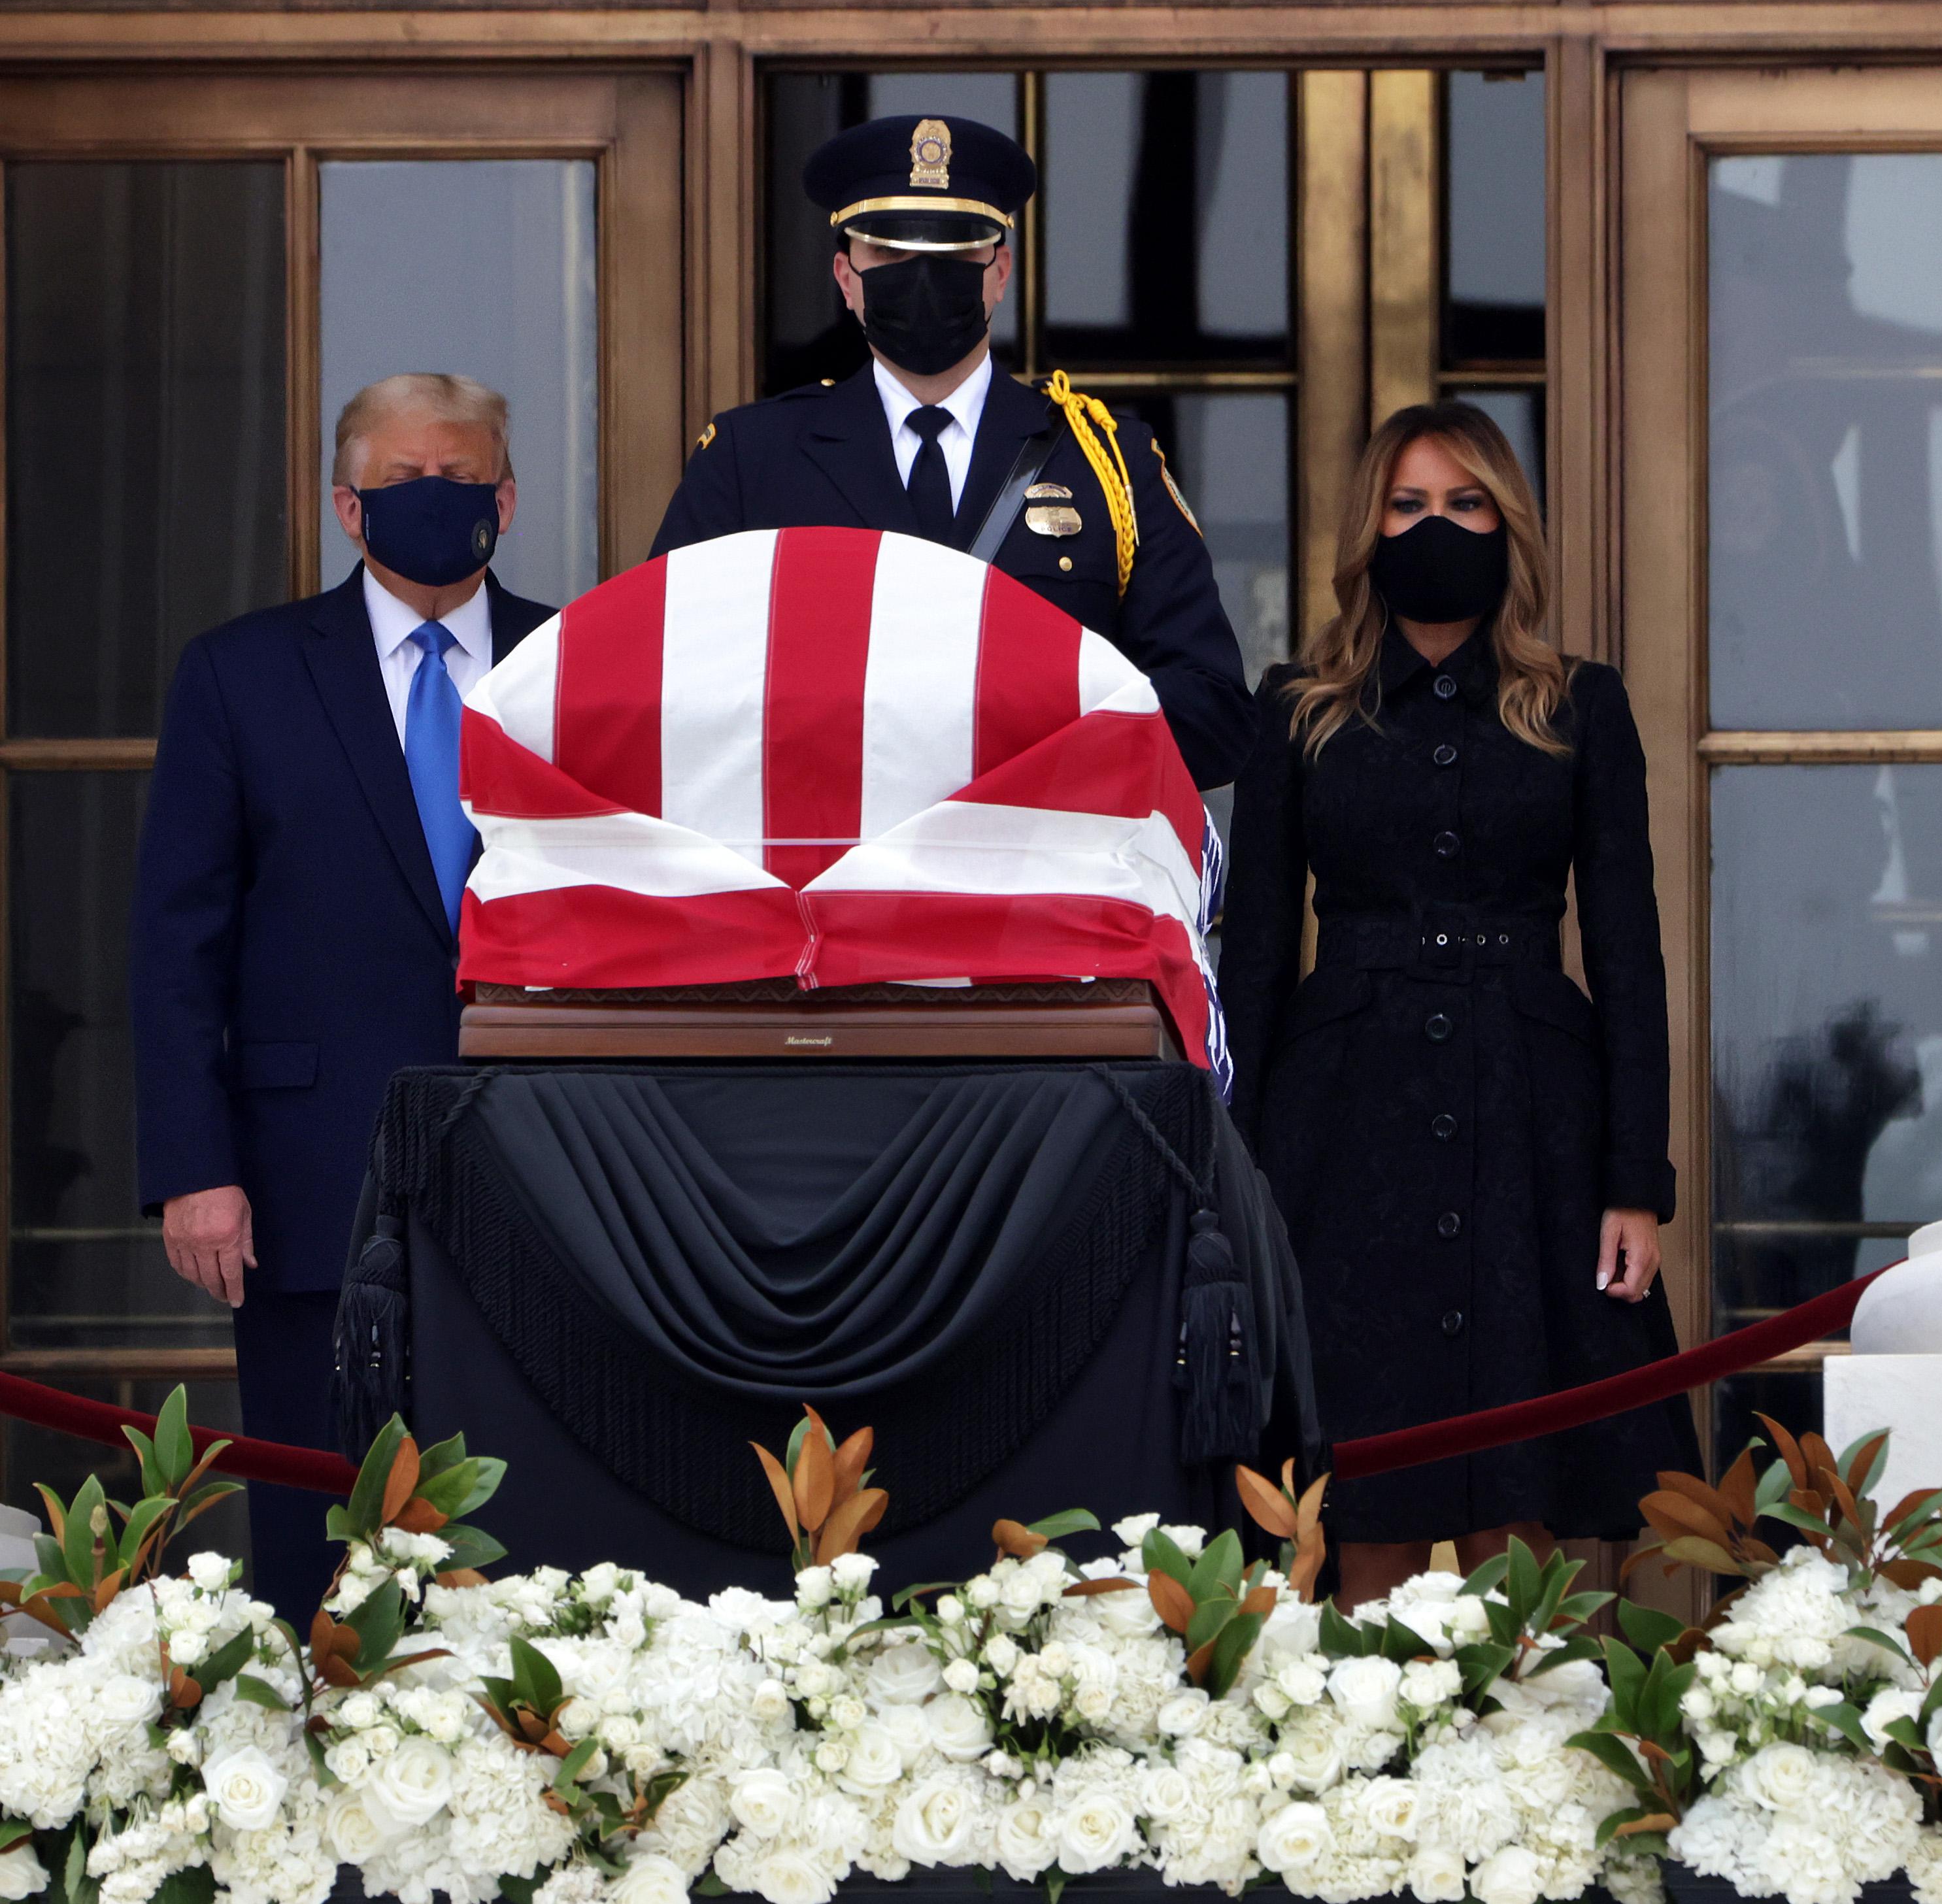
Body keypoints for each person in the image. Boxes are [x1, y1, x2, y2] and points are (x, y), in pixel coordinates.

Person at [1221, 403, 1690, 1602]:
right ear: (1367, 530)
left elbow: (1628, 953)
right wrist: (1233, 1179)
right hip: (1342, 1125)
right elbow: (1259, 954)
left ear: (1509, 526)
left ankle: (1521, 1761)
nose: (1440, 527)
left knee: (1520, 1495)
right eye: (1410, 506)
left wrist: (1635, 1179)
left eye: (1468, 503)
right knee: (1359, 1492)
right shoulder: (1297, 708)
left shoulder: (1578, 703)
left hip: (1533, 1117)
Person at [134, 373, 558, 1620]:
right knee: (320, 1533)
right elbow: (176, 943)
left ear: (508, 498)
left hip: (546, 1165)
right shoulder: (240, 675)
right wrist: (191, 1167)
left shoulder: (574, 664)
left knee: (528, 1536)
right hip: (304, 1174)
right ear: (346, 507)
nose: (437, 503)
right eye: (402, 483)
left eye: (463, 480)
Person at [650, 112, 1254, 791]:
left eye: (954, 253)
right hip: (825, 873)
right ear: (845, 279)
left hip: (1035, 874)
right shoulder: (749, 459)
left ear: (1000, 271)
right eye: (890, 254)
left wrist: (1042, 726)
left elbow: (1214, 715)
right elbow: (655, 684)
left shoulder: (1107, 464)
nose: (924, 277)